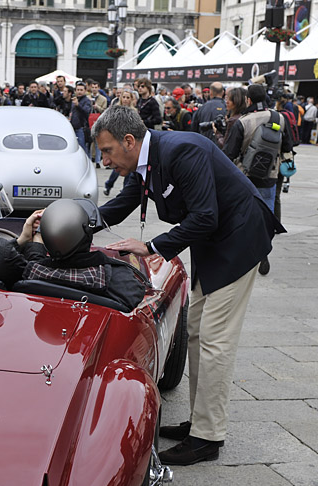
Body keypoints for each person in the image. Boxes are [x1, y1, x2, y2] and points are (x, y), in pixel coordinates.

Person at [92, 105, 284, 466]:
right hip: (212, 242)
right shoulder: (144, 162)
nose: (104, 161)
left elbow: (205, 216)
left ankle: (207, 437)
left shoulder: (182, 150)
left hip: (239, 240)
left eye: (107, 151)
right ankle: (200, 421)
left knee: (214, 339)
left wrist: (151, 247)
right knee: (195, 331)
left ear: (128, 141)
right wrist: (71, 219)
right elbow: (120, 206)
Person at [22, 198, 147, 312]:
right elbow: (137, 297)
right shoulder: (117, 278)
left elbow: (34, 260)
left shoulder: (28, 271)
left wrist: (36, 237)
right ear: (87, 234)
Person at [222, 84, 293, 213]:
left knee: (245, 213)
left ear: (248, 100)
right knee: (266, 212)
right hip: (270, 174)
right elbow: (287, 146)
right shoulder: (279, 118)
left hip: (246, 175)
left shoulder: (243, 121)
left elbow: (229, 153)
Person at [69, 82, 92, 151]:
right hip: (73, 128)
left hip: (81, 128)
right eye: (78, 90)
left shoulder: (86, 101)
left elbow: (86, 112)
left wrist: (78, 105)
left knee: (82, 149)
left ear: (85, 91)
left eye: (81, 90)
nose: (79, 92)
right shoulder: (74, 100)